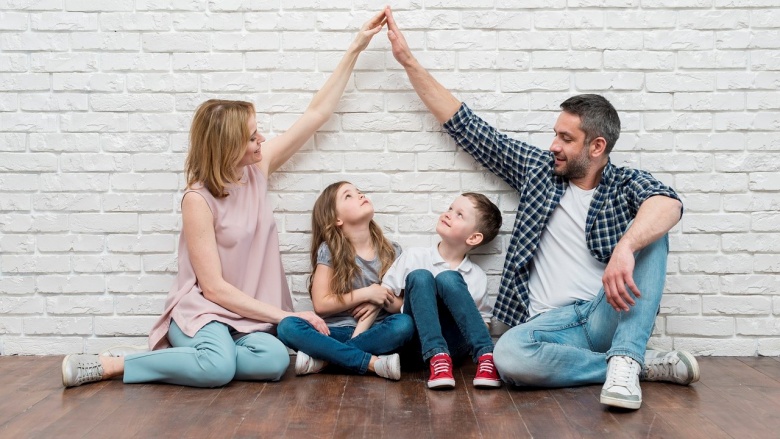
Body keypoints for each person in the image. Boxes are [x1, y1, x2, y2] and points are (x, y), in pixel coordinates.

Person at [383, 7, 700, 409]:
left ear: (596, 147)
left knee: (654, 234)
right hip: (548, 327)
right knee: (508, 357)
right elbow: (470, 128)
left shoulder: (623, 184)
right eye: (555, 134)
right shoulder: (539, 171)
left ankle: (625, 354)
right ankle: (632, 364)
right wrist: (408, 62)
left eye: (565, 138)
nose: (554, 145)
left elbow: (668, 204)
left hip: (605, 314)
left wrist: (626, 247)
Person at [60, 10, 388, 388]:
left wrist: (355, 48)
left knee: (274, 361)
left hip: (250, 316)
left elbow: (316, 113)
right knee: (218, 369)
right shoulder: (197, 200)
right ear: (227, 146)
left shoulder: (257, 169)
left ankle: (210, 358)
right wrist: (284, 317)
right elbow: (213, 288)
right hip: (207, 312)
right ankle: (118, 364)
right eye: (251, 137)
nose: (261, 141)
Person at [276, 181, 414, 380]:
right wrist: (367, 293)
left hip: (376, 332)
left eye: (358, 191)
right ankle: (372, 363)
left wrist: (382, 297)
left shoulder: (392, 251)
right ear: (336, 219)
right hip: (335, 333)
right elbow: (321, 305)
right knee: (287, 326)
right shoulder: (330, 250)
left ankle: (326, 360)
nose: (359, 195)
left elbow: (401, 306)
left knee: (404, 324)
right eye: (348, 196)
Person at [382, 193, 503, 390]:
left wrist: (462, 315)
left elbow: (484, 322)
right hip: (416, 345)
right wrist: (415, 304)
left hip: (454, 347)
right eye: (450, 209)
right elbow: (386, 296)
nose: (448, 214)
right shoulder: (414, 256)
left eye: (459, 215)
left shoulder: (476, 276)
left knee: (448, 278)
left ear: (473, 237)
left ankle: (486, 357)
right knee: (421, 276)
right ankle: (437, 356)